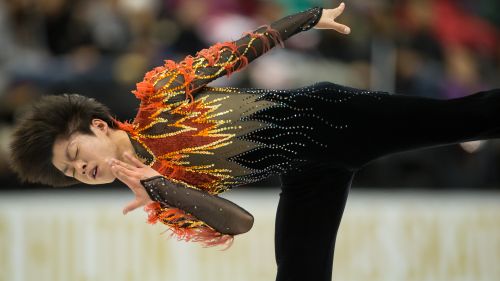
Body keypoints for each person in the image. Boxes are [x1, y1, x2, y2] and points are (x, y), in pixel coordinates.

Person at [7, 2, 500, 281]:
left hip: (336, 116)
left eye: (74, 156)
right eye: (70, 173)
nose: (81, 171)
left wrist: (308, 18)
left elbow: (234, 53)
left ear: (96, 126)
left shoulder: (158, 96)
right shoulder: (158, 198)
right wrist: (158, 185)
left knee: (468, 118)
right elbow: (239, 223)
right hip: (308, 177)